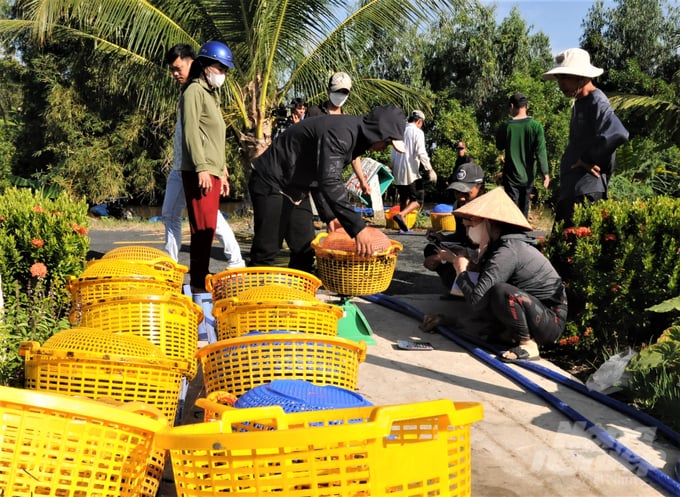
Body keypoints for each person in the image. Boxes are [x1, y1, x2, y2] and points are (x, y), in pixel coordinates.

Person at [248, 105, 406, 272]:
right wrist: (358, 227)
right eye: (387, 142)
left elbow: (319, 176)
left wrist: (329, 216)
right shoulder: (341, 134)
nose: (385, 147)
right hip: (271, 181)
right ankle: (255, 294)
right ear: (377, 132)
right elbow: (329, 181)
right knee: (267, 250)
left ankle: (298, 295)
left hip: (296, 188)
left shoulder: (355, 138)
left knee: (304, 250)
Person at [429, 187, 568, 362]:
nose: (467, 229)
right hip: (532, 313)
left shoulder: (508, 251)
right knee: (489, 304)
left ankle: (528, 344)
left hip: (550, 320)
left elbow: (477, 301)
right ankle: (507, 334)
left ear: (488, 223)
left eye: (471, 224)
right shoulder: (499, 246)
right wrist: (449, 320)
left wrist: (461, 270)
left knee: (500, 291)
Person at [162, 44, 244, 269]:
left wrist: (212, 168)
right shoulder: (193, 91)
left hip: (194, 167)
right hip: (184, 165)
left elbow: (206, 135)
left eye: (179, 68)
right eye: (172, 70)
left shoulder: (199, 92)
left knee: (206, 220)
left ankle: (234, 259)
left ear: (192, 62)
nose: (175, 74)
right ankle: (172, 263)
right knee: (175, 215)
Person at [542, 48, 629, 228]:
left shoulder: (597, 101)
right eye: (559, 78)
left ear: (582, 78)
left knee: (575, 248)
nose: (561, 84)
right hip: (573, 189)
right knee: (561, 249)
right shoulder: (581, 102)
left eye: (566, 77)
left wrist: (588, 158)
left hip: (586, 191)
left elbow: (618, 132)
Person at [180, 40, 239, 292]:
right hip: (199, 170)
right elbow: (191, 132)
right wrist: (202, 167)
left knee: (209, 228)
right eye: (220, 68)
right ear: (205, 67)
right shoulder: (193, 91)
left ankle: (201, 278)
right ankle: (198, 283)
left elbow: (214, 136)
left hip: (213, 169)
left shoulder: (210, 95)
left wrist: (222, 170)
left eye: (225, 70)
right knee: (202, 229)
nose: (222, 74)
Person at [423, 162, 485, 293]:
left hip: (484, 257)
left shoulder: (487, 208)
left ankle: (467, 288)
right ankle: (455, 285)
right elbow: (461, 236)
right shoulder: (458, 204)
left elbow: (487, 249)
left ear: (480, 187)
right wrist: (441, 237)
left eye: (466, 192)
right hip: (468, 249)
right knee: (431, 249)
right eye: (457, 192)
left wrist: (446, 257)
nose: (461, 197)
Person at [307, 71, 369, 194]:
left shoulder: (347, 121)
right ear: (328, 90)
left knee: (335, 213)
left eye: (344, 92)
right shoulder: (314, 113)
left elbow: (354, 156)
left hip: (333, 181)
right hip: (310, 180)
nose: (340, 95)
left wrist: (362, 181)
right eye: (337, 91)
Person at [495, 93, 550, 217]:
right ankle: (522, 233)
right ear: (527, 106)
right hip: (528, 175)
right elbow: (541, 151)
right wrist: (545, 173)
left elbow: (499, 145)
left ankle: (511, 234)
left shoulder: (505, 126)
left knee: (512, 210)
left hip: (511, 175)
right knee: (524, 208)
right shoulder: (536, 127)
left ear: (512, 106)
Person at [390, 110, 437, 233]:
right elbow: (421, 152)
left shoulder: (400, 130)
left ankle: (403, 228)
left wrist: (393, 167)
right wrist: (430, 168)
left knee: (403, 198)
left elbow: (393, 152)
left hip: (397, 169)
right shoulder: (417, 132)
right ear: (419, 121)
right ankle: (401, 215)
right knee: (418, 200)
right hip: (410, 170)